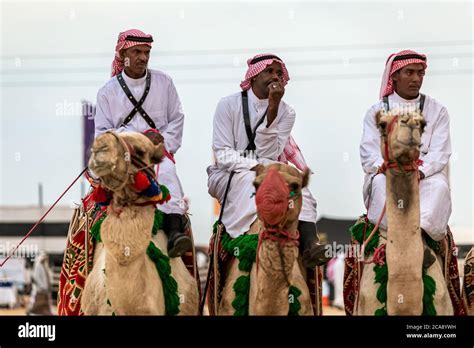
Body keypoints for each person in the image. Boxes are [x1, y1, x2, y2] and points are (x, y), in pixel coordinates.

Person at [207, 53, 329, 268]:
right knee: (251, 184)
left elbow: (270, 151)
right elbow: (223, 153)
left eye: (279, 73)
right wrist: (256, 167)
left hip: (269, 166)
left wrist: (273, 107)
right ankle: (242, 239)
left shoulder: (286, 112)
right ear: (253, 77)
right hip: (229, 172)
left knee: (300, 189)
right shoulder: (228, 104)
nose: (275, 76)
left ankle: (310, 244)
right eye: (269, 71)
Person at [93, 29, 191, 257]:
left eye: (146, 52)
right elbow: (103, 133)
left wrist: (161, 143)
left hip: (156, 154)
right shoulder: (107, 92)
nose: (143, 57)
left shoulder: (164, 82)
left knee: (166, 172)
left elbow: (177, 118)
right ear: (123, 54)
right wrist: (132, 141)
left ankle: (175, 231)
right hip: (122, 156)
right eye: (137, 51)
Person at [360, 50, 452, 245]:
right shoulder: (376, 111)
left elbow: (440, 152)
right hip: (388, 174)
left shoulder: (438, 110)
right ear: (394, 75)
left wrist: (419, 171)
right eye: (409, 72)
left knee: (440, 187)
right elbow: (369, 153)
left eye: (420, 73)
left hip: (424, 174)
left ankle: (423, 239)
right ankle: (390, 237)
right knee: (377, 185)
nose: (416, 79)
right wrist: (390, 168)